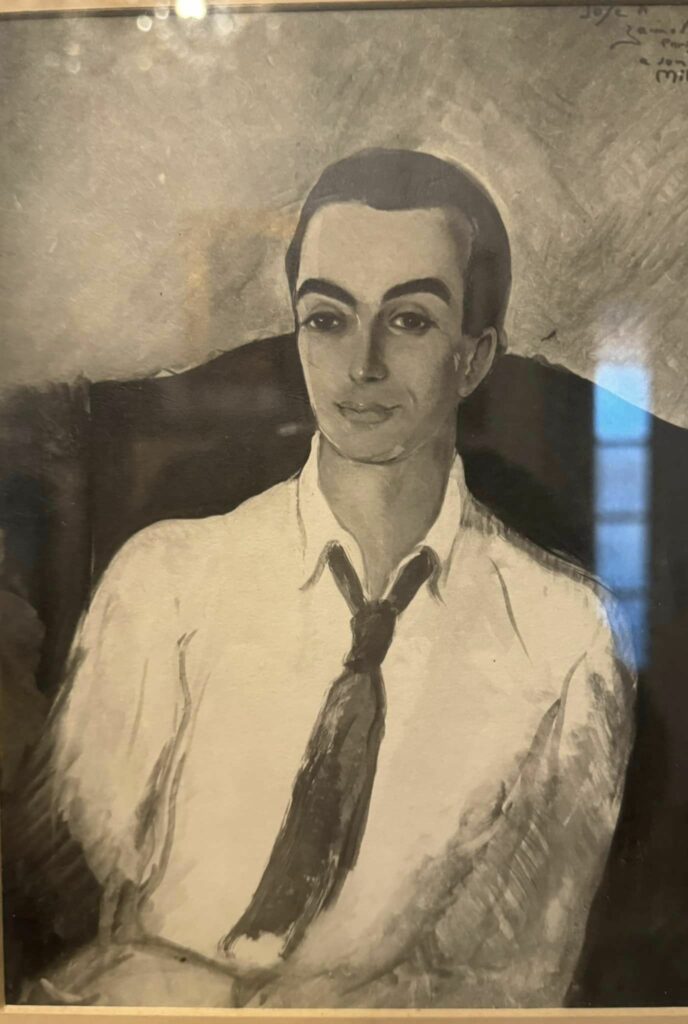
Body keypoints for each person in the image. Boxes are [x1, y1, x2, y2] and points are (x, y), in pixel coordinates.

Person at [19, 148, 636, 1008]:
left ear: (473, 357)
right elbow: (57, 898)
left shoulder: (568, 635)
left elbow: (512, 984)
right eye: (327, 318)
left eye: (410, 320)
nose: (362, 364)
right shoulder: (164, 582)